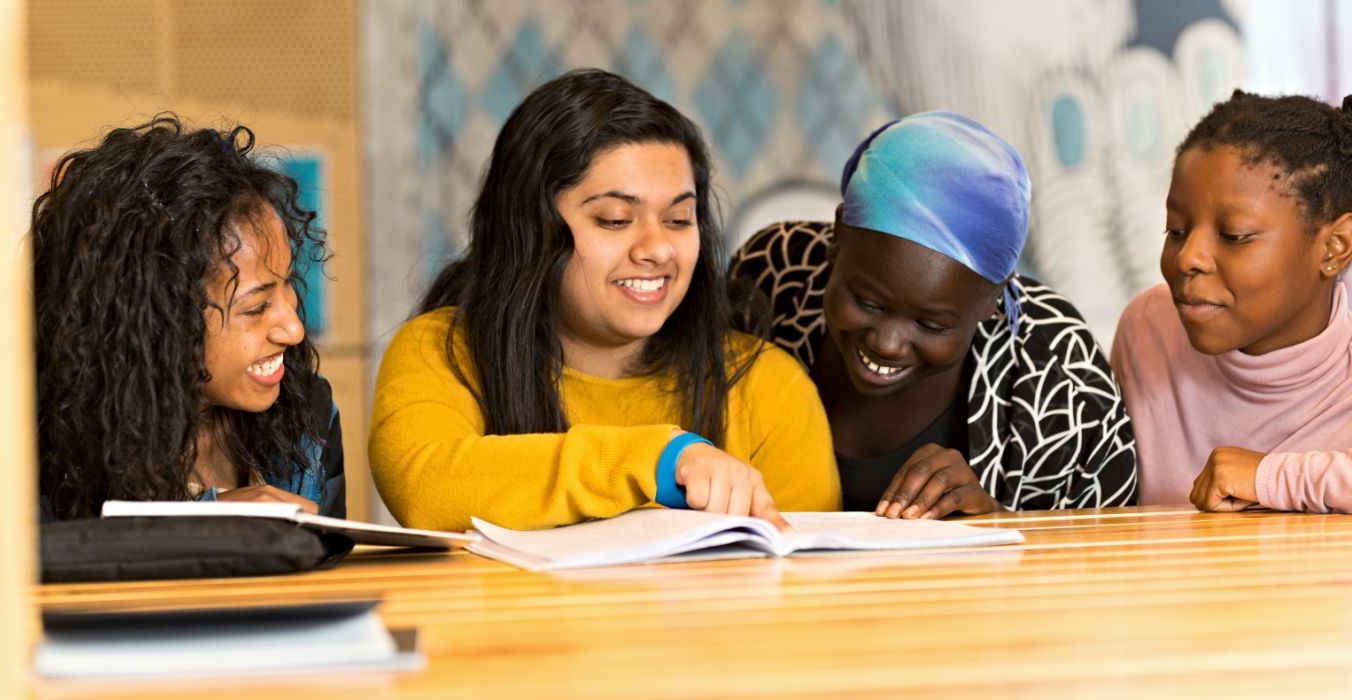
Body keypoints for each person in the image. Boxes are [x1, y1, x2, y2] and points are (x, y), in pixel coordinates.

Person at [369, 69, 840, 532]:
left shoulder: (766, 385)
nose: (657, 249)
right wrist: (655, 461)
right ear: (529, 231)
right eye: (616, 220)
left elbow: (802, 573)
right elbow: (425, 488)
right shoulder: (441, 351)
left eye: (678, 220)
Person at [731, 111, 1137, 519]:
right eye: (868, 302)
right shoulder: (773, 275)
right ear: (838, 235)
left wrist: (996, 520)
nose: (886, 343)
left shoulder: (1061, 372)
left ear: (995, 296)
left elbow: (1109, 554)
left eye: (932, 325)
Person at [33, 115, 343, 522]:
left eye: (287, 285)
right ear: (158, 318)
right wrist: (201, 521)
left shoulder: (309, 420)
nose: (294, 329)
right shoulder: (35, 447)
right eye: (255, 307)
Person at [1113, 90, 1352, 513]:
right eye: (1176, 230)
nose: (1188, 258)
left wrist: (1270, 478)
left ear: (1334, 247)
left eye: (1234, 236)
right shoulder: (1149, 328)